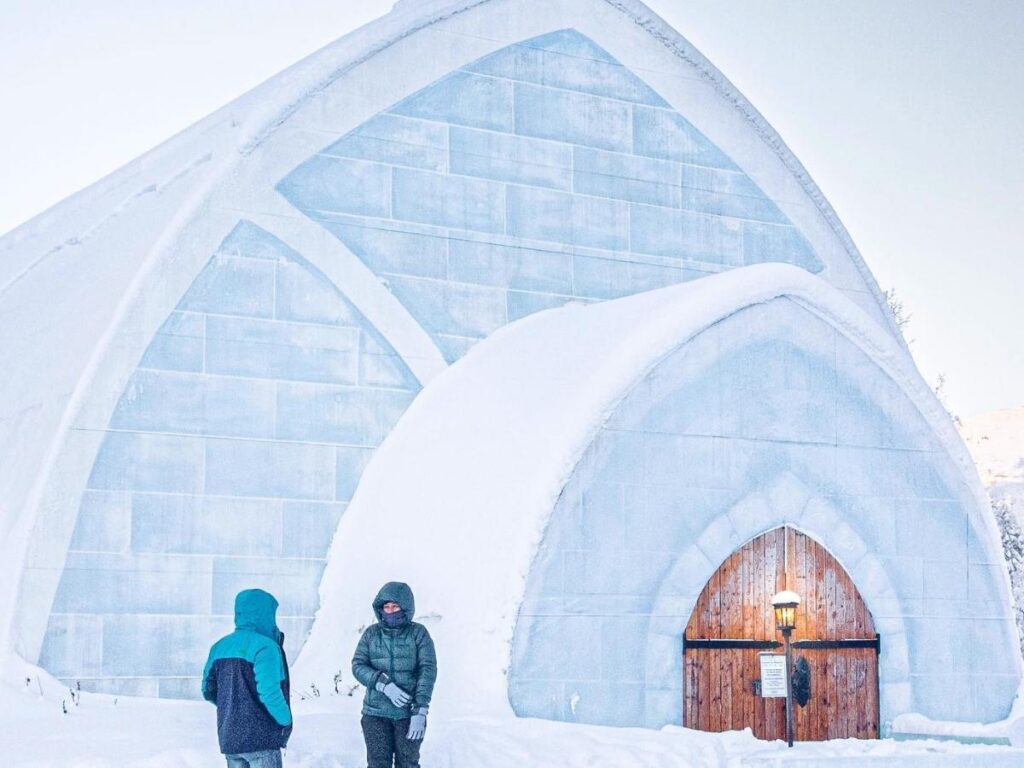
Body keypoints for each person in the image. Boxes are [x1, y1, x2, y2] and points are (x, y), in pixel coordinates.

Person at [202, 588, 292, 768]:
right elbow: (269, 692)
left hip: (230, 738)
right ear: (264, 613)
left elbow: (207, 690)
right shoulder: (266, 647)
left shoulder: (218, 647)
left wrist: (234, 707)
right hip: (262, 739)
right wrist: (286, 720)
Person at [352, 582, 437, 768]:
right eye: (386, 607)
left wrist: (420, 710)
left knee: (407, 764)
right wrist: (383, 684)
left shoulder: (418, 634)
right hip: (375, 714)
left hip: (408, 715)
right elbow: (358, 665)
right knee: (377, 764)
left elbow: (427, 670)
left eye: (395, 606)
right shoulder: (371, 634)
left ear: (405, 607)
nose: (390, 611)